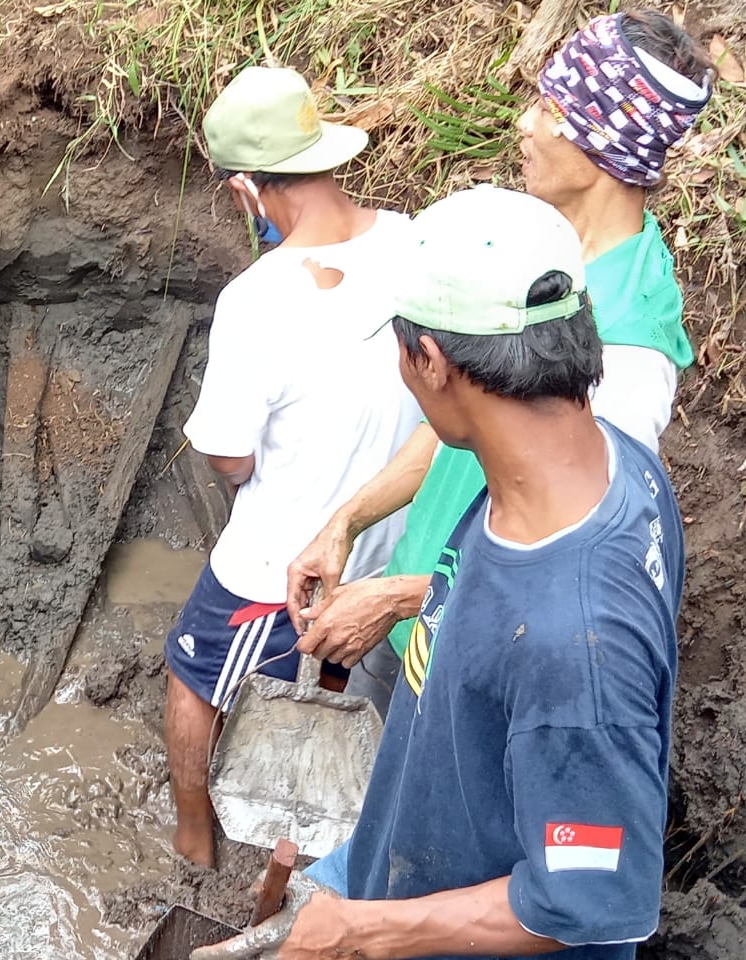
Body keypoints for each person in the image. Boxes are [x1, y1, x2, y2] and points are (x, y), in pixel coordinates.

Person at [194, 185, 685, 960]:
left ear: (430, 361)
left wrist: (363, 932)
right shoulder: (597, 464)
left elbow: (590, 896)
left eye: (400, 347)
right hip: (418, 859)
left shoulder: (576, 643)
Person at [285, 9, 714, 717]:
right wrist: (348, 522)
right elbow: (456, 417)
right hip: (415, 614)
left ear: (604, 142)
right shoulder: (538, 252)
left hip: (475, 659)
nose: (525, 123)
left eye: (551, 107)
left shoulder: (626, 350)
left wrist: (395, 597)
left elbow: (573, 564)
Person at [163, 65, 421, 867]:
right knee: (334, 681)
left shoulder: (258, 297)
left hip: (282, 560)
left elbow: (228, 451)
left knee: (191, 671)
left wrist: (245, 482)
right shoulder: (415, 240)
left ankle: (196, 834)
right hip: (388, 543)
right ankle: (312, 840)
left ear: (247, 188)